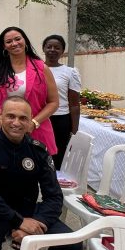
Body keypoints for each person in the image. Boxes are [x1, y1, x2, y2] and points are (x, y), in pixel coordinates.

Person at [0, 96, 82, 250]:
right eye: (10, 116)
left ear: (30, 121)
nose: (16, 123)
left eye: (23, 118)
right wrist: (18, 221)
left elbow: (54, 196)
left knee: (71, 245)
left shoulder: (38, 149)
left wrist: (37, 222)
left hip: (27, 211)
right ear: (0, 115)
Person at [0, 26, 60, 155]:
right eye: (9, 41)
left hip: (34, 129)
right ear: (4, 47)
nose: (14, 43)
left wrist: (34, 123)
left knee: (34, 169)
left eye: (18, 39)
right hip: (0, 127)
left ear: (25, 41)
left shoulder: (41, 68)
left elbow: (53, 102)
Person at [42, 35, 82, 169]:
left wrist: (74, 131)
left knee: (57, 156)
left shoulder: (70, 72)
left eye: (57, 47)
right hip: (39, 118)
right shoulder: (35, 69)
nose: (52, 50)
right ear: (44, 49)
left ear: (62, 51)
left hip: (60, 120)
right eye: (49, 47)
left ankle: (54, 184)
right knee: (38, 154)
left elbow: (75, 104)